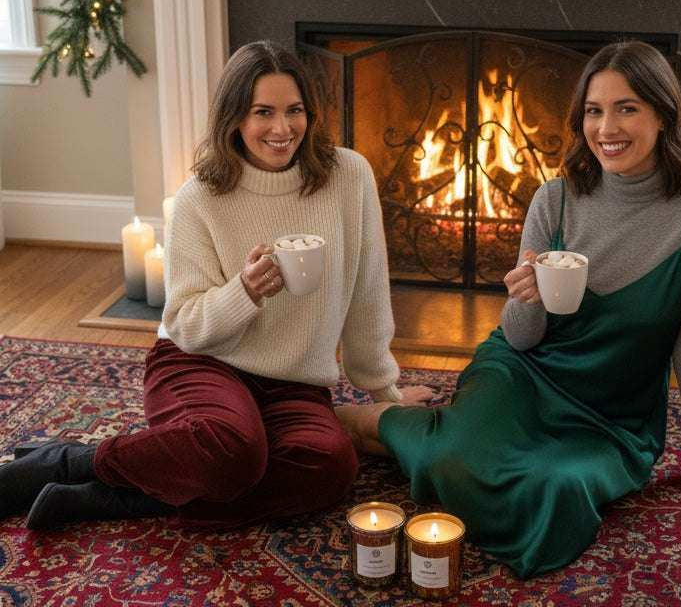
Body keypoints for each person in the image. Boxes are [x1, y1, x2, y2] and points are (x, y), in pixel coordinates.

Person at [337, 40, 681, 579]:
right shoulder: (554, 199)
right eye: (594, 111)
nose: (607, 128)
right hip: (521, 373)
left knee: (554, 494)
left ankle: (413, 428)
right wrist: (523, 299)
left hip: (611, 413)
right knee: (452, 461)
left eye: (627, 108)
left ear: (663, 116)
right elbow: (523, 339)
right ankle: (364, 421)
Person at [0, 40, 431, 530]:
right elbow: (183, 325)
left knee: (328, 469)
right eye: (262, 112)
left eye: (295, 111)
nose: (281, 129)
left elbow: (368, 292)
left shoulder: (348, 176)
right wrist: (242, 292)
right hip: (201, 362)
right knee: (231, 452)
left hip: (295, 382)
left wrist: (384, 394)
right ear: (234, 118)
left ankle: (109, 500)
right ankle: (67, 461)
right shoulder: (199, 198)